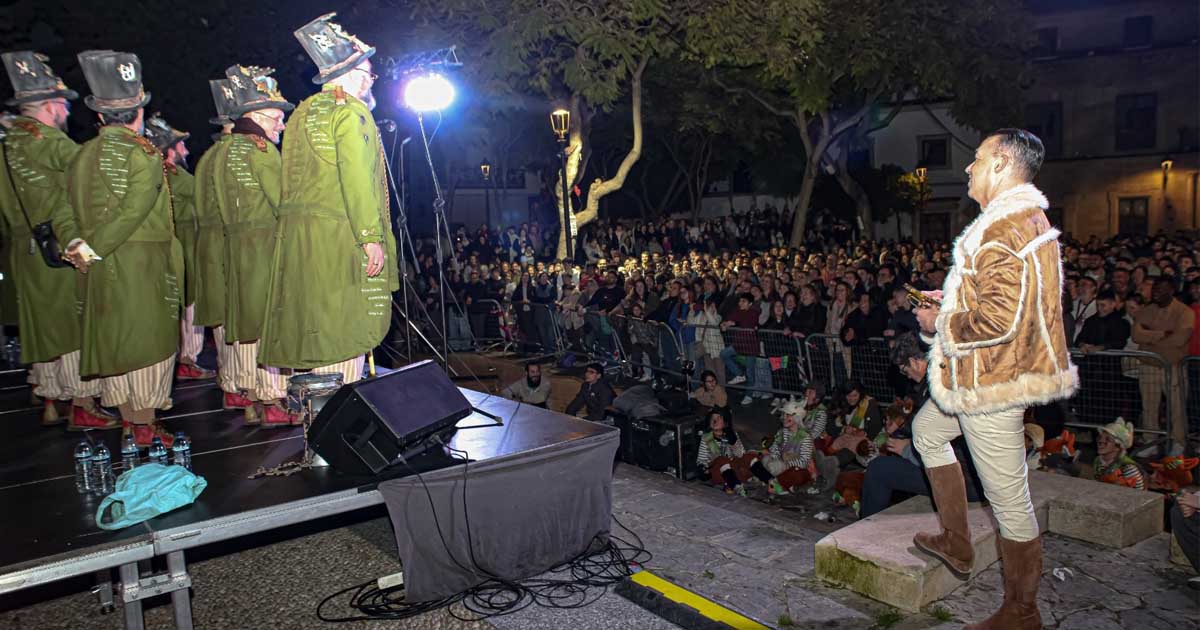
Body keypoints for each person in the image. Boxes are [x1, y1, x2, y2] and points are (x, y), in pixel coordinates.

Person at [912, 129, 1077, 629]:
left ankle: (1021, 613)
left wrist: (938, 321)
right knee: (927, 433)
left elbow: (997, 322)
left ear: (1002, 163)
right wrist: (953, 304)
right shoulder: (1023, 220)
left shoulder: (1003, 227)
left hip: (991, 385)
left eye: (978, 158)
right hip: (977, 373)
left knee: (1009, 501)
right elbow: (1007, 306)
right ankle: (957, 543)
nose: (968, 168)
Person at [259, 13, 398, 384]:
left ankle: (317, 423)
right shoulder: (352, 113)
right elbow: (356, 181)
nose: (371, 82)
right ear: (353, 76)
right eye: (369, 75)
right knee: (344, 333)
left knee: (316, 330)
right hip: (340, 237)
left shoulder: (303, 112)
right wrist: (370, 237)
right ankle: (338, 431)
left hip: (301, 242)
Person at [63, 51, 181, 446]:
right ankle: (144, 423)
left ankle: (132, 421)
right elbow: (134, 211)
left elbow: (61, 211)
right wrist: (91, 248)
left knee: (118, 340)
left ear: (100, 115)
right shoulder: (143, 153)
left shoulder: (80, 156)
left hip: (96, 264)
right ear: (138, 111)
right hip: (139, 260)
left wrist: (79, 247)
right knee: (150, 342)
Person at [0, 51, 115, 430]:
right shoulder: (47, 140)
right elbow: (90, 174)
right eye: (62, 105)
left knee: (41, 323)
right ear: (50, 105)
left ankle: (50, 398)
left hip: (22, 246)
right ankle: (82, 403)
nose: (65, 113)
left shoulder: (8, 142)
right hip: (59, 244)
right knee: (74, 323)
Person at [215, 65, 295, 426]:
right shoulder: (262, 151)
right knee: (271, 322)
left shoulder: (224, 150)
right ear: (257, 117)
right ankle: (275, 401)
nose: (280, 125)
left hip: (236, 251)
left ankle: (250, 398)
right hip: (265, 249)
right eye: (276, 118)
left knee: (245, 325)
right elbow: (283, 203)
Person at [143, 114, 215, 384]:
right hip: (186, 243)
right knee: (192, 305)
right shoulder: (177, 175)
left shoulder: (156, 172)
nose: (185, 150)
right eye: (180, 146)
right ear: (170, 151)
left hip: (171, 242)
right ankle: (188, 358)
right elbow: (203, 196)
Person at [192, 78, 243, 409]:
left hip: (209, 245)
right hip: (234, 244)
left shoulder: (208, 157)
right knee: (245, 318)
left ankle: (230, 383)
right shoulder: (240, 154)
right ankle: (248, 388)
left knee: (225, 320)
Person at [1130, 276, 1194, 453]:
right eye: (1155, 289)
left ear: (1171, 291)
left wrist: (1149, 337)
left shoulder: (1184, 312)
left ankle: (1178, 442)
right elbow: (1136, 335)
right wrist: (1162, 334)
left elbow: (1179, 339)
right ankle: (1151, 441)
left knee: (1177, 408)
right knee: (1149, 407)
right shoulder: (1147, 310)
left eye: (1161, 289)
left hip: (1174, 367)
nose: (1156, 293)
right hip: (1148, 365)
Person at [696, 409, 747, 496]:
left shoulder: (731, 435)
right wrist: (703, 468)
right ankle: (736, 486)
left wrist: (733, 443)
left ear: (725, 422)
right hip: (717, 471)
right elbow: (702, 460)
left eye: (719, 418)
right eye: (712, 418)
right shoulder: (707, 438)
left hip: (734, 469)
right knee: (721, 460)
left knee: (752, 457)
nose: (714, 420)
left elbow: (741, 455)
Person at [1091, 418, 1145, 490]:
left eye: (1108, 439)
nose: (1100, 441)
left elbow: (1139, 494)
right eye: (1100, 437)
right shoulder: (1098, 461)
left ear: (1118, 446)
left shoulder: (1128, 468)